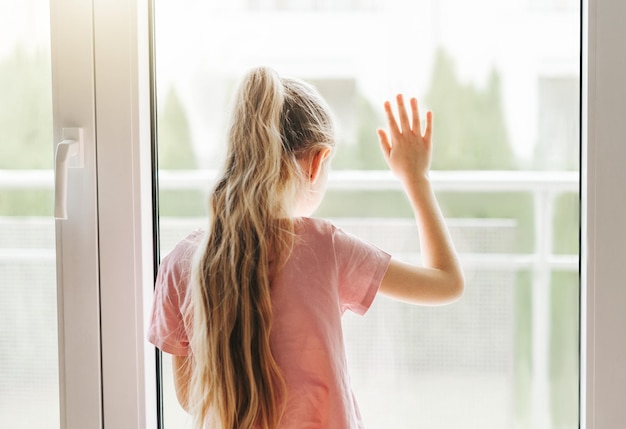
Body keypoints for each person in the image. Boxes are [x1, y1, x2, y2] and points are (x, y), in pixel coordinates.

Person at [148, 66, 464, 429]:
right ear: (316, 162)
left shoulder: (181, 263)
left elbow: (190, 396)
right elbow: (446, 282)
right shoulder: (324, 249)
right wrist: (416, 178)